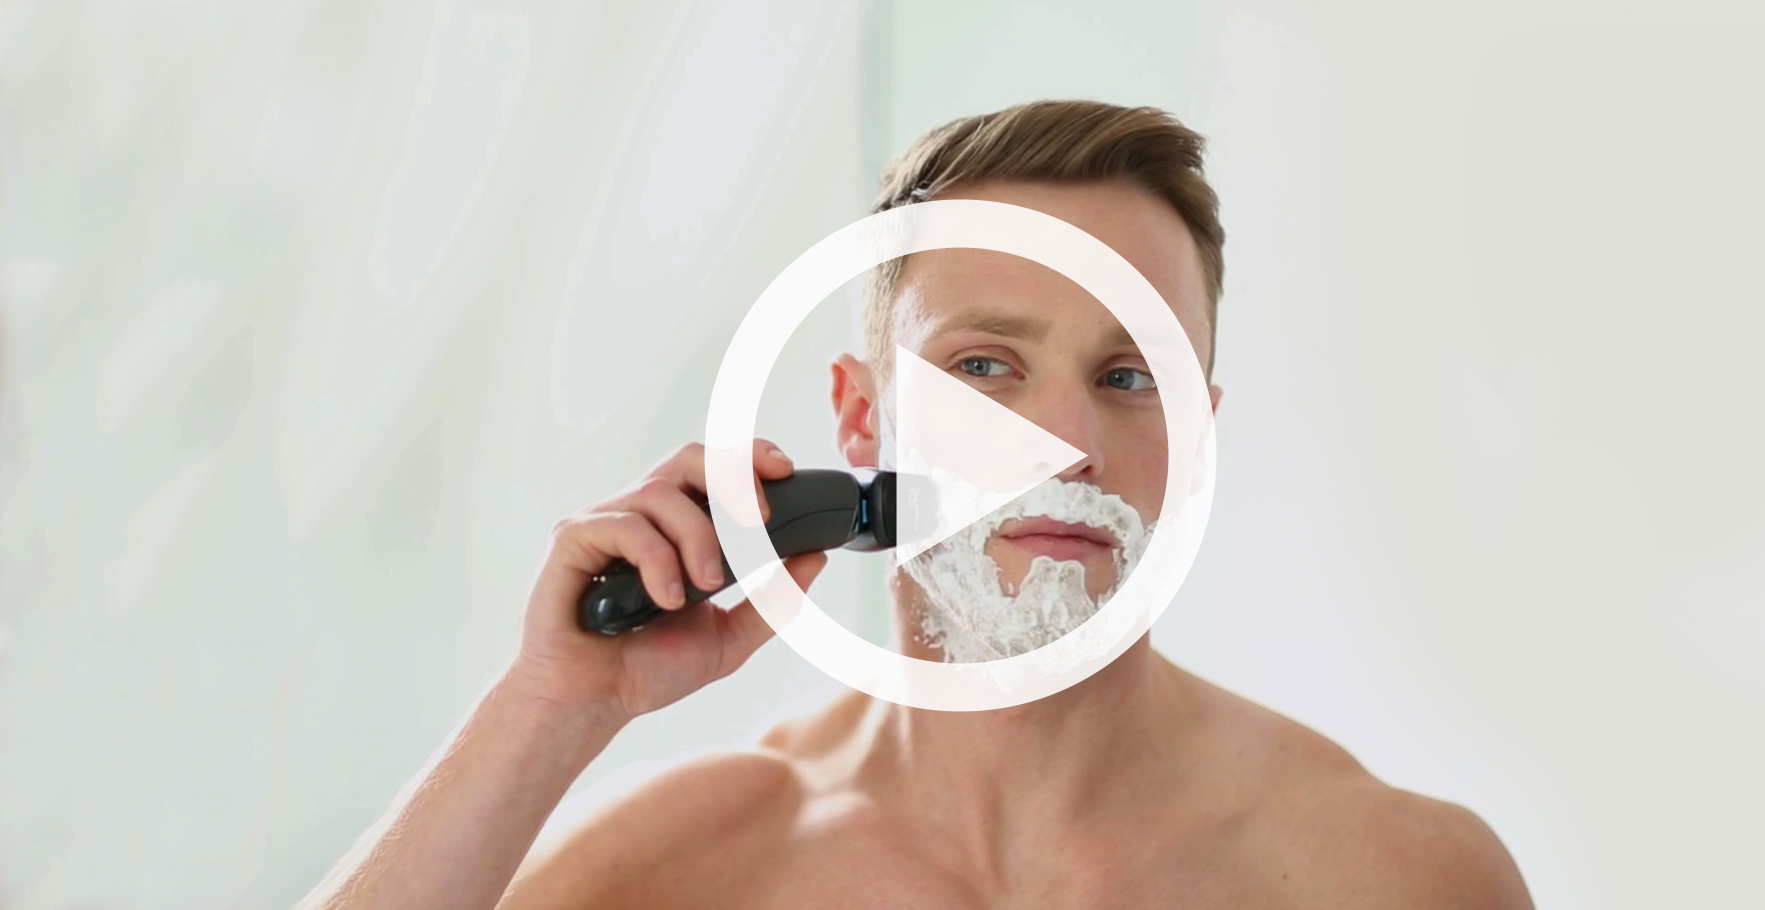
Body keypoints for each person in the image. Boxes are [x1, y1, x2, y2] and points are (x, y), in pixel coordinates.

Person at [299, 100, 1534, 909]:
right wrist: (546, 714)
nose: (1066, 445)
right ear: (860, 417)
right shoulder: (686, 868)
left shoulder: (1390, 875)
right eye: (986, 365)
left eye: (1130, 378)